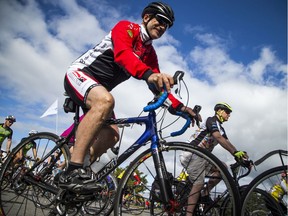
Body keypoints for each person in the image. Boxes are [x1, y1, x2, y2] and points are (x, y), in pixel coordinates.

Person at [60, 1, 199, 194]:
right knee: (106, 101)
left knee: (112, 135)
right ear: (146, 17)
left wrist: (182, 108)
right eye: (160, 20)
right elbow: (123, 55)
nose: (162, 26)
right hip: (79, 74)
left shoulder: (150, 53)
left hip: (98, 89)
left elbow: (158, 86)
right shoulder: (126, 27)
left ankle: (78, 171)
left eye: (166, 25)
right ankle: (72, 171)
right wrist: (149, 74)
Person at [179, 102, 249, 215]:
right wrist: (234, 153)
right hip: (192, 154)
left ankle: (205, 193)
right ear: (219, 111)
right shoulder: (210, 120)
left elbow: (226, 142)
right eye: (227, 112)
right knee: (199, 183)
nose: (229, 115)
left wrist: (239, 155)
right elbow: (218, 137)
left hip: (203, 157)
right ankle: (189, 214)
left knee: (222, 168)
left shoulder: (221, 128)